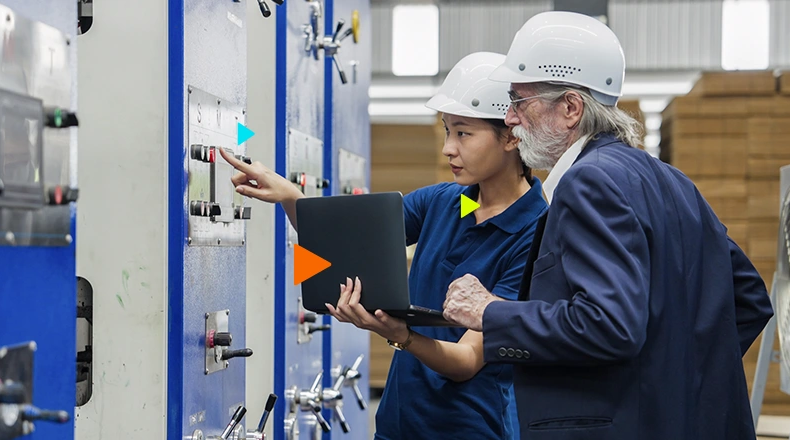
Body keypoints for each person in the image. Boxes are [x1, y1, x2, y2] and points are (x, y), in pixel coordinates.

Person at [441, 11, 774, 440]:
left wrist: (491, 312)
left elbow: (608, 324)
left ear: (570, 108)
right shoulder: (670, 180)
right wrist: (675, 385)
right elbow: (748, 298)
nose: (509, 117)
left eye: (519, 101)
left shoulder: (589, 182)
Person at [219, 52, 548, 439]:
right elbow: (344, 242)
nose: (448, 148)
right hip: (397, 424)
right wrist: (290, 196)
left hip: (468, 429)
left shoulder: (536, 233)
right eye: (447, 131)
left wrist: (400, 335)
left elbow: (468, 359)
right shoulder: (445, 201)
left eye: (463, 133)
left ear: (511, 135)